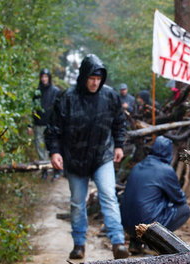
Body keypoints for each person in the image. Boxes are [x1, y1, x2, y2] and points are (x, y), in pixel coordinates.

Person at [45, 54, 129, 260]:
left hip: (102, 155)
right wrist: (54, 151)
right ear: (84, 77)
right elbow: (53, 128)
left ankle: (118, 243)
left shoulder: (109, 96)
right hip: (74, 158)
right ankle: (79, 244)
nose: (95, 82)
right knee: (76, 202)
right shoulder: (68, 98)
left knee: (109, 195)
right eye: (91, 78)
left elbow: (119, 122)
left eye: (98, 79)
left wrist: (119, 145)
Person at [120, 136, 190, 254]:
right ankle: (154, 242)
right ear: (169, 152)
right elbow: (179, 199)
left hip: (127, 225)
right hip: (146, 225)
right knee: (185, 210)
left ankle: (135, 243)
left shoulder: (138, 166)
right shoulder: (165, 170)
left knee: (147, 203)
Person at [28, 68, 62, 180]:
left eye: (46, 77)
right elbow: (32, 108)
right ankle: (45, 170)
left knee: (52, 147)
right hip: (38, 124)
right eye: (42, 77)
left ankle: (57, 170)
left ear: (49, 78)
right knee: (40, 148)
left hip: (51, 125)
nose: (44, 79)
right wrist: (29, 125)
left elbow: (60, 109)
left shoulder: (56, 91)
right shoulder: (37, 91)